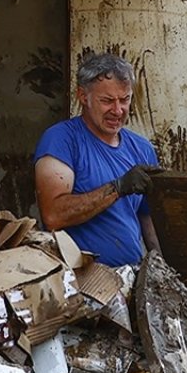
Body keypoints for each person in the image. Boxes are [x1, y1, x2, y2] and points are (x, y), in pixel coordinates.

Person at [34, 52, 163, 267]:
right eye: (107, 101)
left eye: (125, 100)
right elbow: (54, 216)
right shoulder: (61, 140)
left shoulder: (142, 148)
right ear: (83, 97)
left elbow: (148, 218)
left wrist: (162, 268)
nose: (118, 110)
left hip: (129, 276)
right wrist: (118, 187)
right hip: (80, 278)